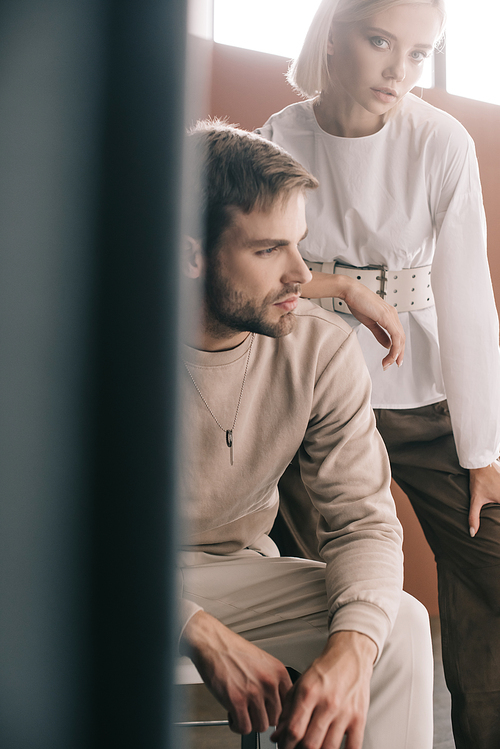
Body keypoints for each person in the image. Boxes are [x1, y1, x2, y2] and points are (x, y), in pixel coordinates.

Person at [256, 1, 500, 746]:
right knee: (327, 595)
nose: (401, 69)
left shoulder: (441, 141)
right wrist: (342, 289)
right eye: (380, 41)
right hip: (310, 394)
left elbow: (466, 295)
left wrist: (483, 449)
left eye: (420, 53)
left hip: (423, 392)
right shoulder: (279, 137)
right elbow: (255, 270)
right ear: (334, 38)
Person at [178, 120, 433, 749]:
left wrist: (352, 648)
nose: (300, 273)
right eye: (269, 251)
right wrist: (196, 628)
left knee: (395, 623)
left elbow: (364, 522)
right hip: (93, 581)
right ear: (189, 254)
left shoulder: (320, 348)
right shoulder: (92, 337)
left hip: (233, 570)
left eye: (301, 244)